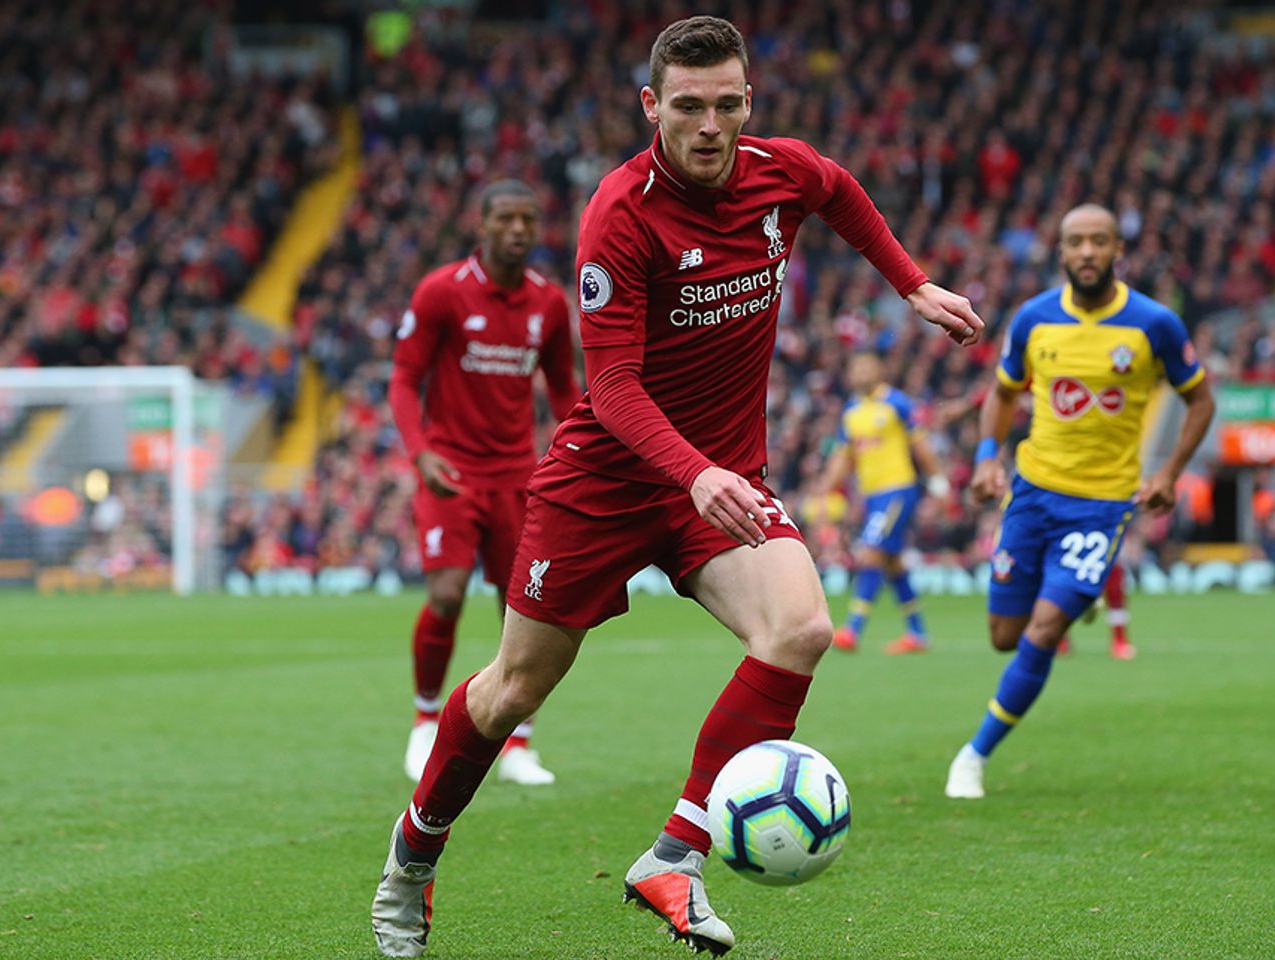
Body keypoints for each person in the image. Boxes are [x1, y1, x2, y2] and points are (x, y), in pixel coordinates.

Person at [371, 16, 983, 958]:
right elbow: (608, 385)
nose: (708, 125)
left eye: (726, 104)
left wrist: (912, 284)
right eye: (688, 106)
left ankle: (676, 855)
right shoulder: (620, 213)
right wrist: (692, 472)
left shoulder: (783, 170)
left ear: (748, 103)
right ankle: (413, 855)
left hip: (721, 482)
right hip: (606, 482)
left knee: (801, 629)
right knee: (514, 690)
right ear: (652, 105)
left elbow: (842, 191)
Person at [944, 204, 1214, 801]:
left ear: (1119, 250)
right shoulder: (1034, 319)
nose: (1087, 252)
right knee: (1003, 633)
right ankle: (1072, 595)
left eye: (1099, 242)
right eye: (1076, 242)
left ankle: (973, 754)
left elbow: (1201, 401)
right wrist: (988, 456)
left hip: (1103, 503)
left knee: (1043, 630)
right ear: (1060, 251)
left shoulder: (1155, 324)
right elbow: (1003, 392)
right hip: (1033, 492)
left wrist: (1169, 472)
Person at [388, 179, 580, 787]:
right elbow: (402, 379)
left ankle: (517, 741)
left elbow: (564, 391)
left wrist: (576, 451)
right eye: (506, 219)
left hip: (519, 477)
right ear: (483, 224)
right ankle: (424, 722)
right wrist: (420, 455)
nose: (518, 230)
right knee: (446, 594)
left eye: (528, 219)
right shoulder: (443, 292)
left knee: (521, 607)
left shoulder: (548, 304)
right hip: (451, 471)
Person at [815, 351, 944, 655]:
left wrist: (938, 482)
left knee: (871, 552)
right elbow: (842, 459)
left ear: (879, 370)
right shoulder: (851, 412)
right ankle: (917, 633)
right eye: (855, 368)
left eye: (865, 367)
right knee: (893, 564)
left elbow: (920, 444)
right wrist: (824, 492)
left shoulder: (897, 403)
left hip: (898, 489)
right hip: (873, 495)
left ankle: (852, 629)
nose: (860, 373)